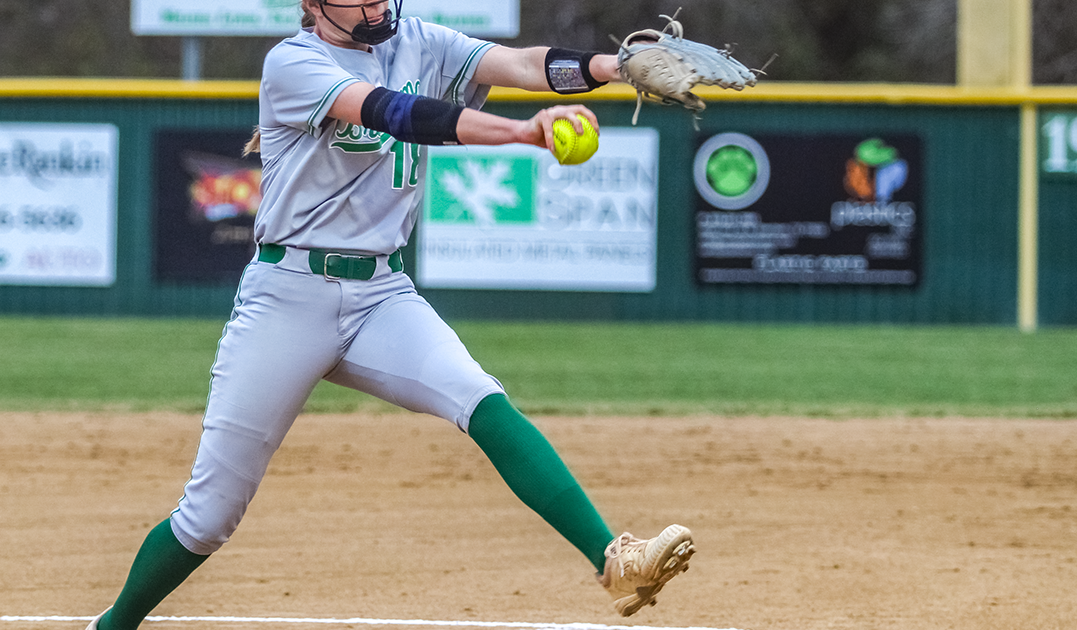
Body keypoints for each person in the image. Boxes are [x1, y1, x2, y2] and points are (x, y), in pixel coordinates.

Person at [87, 1, 693, 627]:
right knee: (209, 517)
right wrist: (520, 133)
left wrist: (614, 65)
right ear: (315, 5)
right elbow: (397, 113)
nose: (377, 4)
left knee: (480, 398)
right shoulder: (295, 62)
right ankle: (111, 625)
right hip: (288, 296)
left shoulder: (420, 41)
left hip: (381, 293)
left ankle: (614, 558)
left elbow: (523, 63)